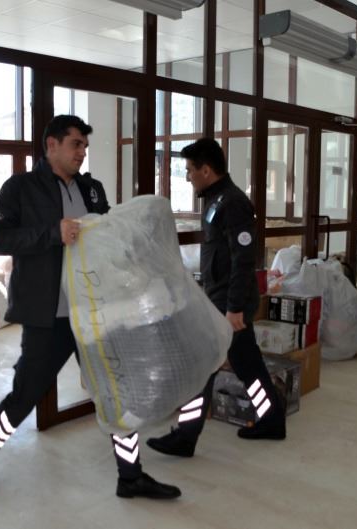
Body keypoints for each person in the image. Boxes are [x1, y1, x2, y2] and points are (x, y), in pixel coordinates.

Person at [0, 115, 181, 500]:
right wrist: (53, 233)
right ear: (51, 145)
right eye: (75, 144)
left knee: (115, 395)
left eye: (84, 146)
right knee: (25, 396)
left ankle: (130, 476)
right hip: (48, 317)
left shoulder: (91, 189)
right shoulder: (20, 188)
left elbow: (109, 235)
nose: (82, 152)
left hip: (94, 315)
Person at [146, 138, 286, 459]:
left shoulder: (233, 203)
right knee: (245, 365)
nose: (188, 177)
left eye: (190, 170)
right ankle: (271, 417)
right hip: (221, 300)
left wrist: (234, 308)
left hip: (229, 304)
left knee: (207, 365)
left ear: (206, 170)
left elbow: (243, 259)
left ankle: (187, 436)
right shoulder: (217, 199)